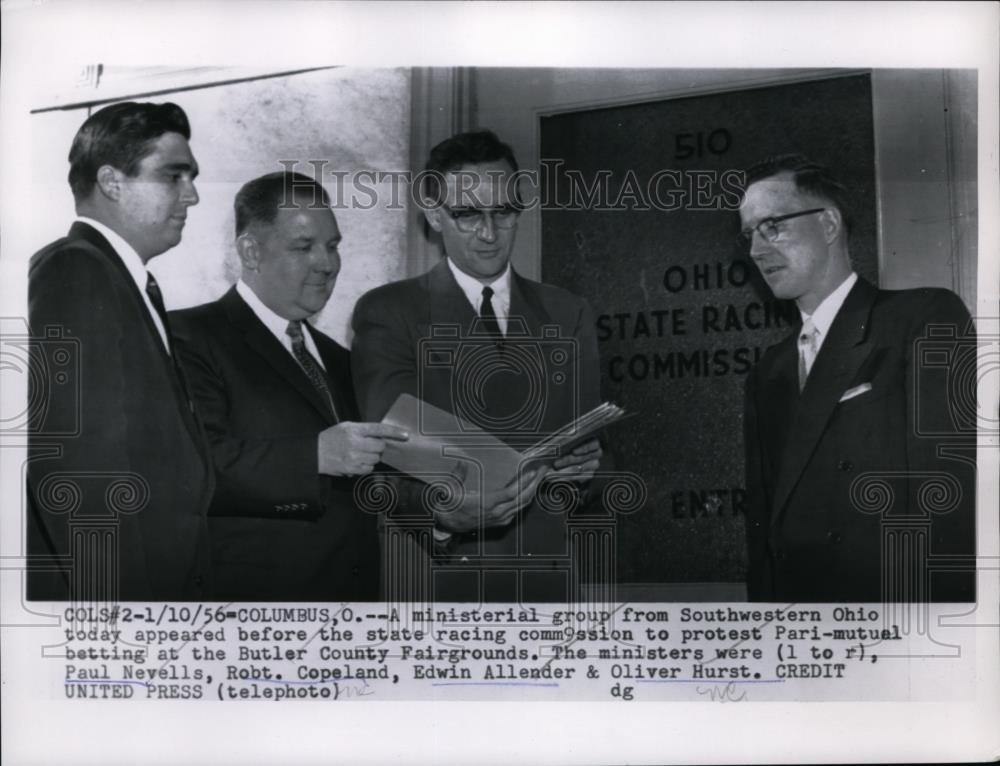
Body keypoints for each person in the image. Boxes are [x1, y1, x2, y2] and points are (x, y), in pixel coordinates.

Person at [351, 130, 607, 603]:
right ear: (433, 214)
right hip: (436, 580)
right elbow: (389, 451)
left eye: (503, 212)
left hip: (544, 580)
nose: (488, 233)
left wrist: (589, 469)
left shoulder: (568, 312)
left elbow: (597, 456)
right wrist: (442, 518)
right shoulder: (389, 310)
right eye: (467, 214)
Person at [739, 154, 976, 602]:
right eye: (749, 234)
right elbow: (763, 537)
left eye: (772, 226)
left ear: (828, 224)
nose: (755, 250)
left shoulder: (922, 318)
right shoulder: (767, 372)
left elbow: (950, 505)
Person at [170, 172, 408, 601]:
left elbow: (366, 484)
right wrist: (314, 454)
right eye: (304, 247)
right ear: (250, 251)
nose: (327, 263)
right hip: (250, 619)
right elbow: (191, 469)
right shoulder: (186, 337)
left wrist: (448, 513)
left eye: (333, 246)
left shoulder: (341, 360)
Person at [27, 101, 213, 601]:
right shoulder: (78, 272)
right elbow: (80, 474)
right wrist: (124, 626)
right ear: (112, 181)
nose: (191, 195)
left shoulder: (122, 280)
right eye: (173, 176)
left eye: (190, 177)